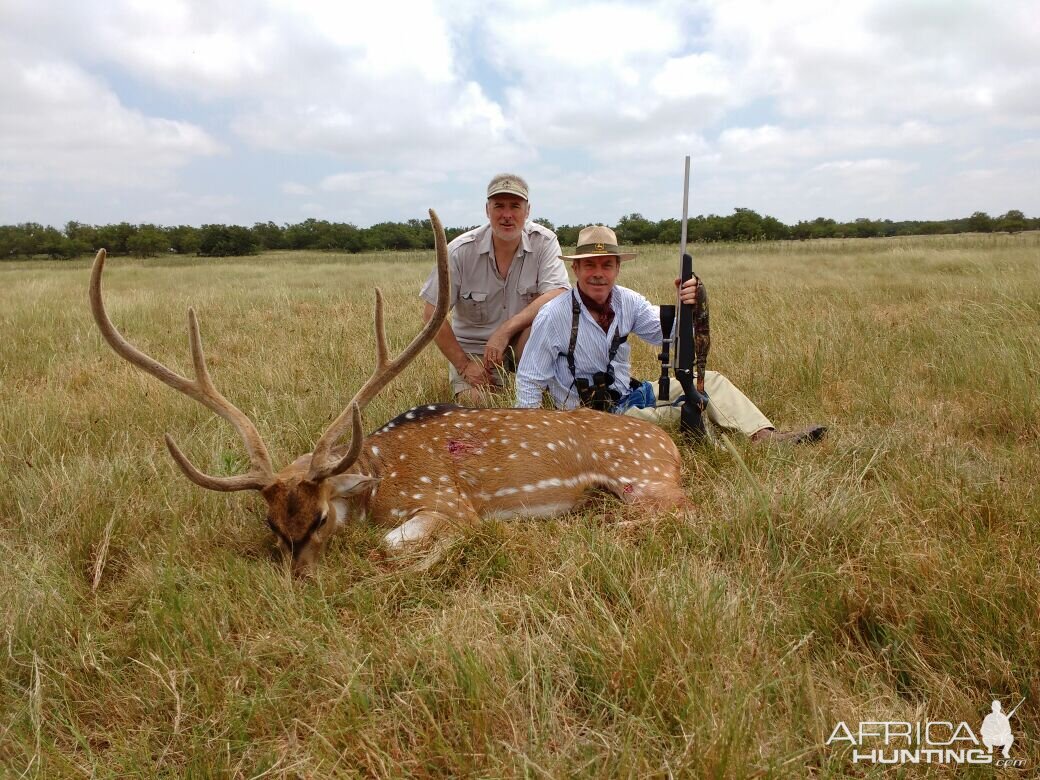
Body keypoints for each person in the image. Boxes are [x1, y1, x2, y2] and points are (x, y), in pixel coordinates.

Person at [515, 225, 826, 443]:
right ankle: (703, 427)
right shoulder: (553, 315)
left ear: (617, 269)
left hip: (628, 398)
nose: (599, 273)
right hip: (587, 419)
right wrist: (531, 440)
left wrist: (689, 304)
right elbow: (529, 380)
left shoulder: (629, 302)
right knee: (672, 415)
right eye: (590, 265)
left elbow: (672, 335)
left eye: (607, 265)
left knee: (712, 381)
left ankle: (764, 436)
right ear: (576, 270)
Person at [420, 173, 570, 404]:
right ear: (487, 209)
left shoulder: (545, 241)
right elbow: (431, 314)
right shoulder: (459, 251)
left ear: (527, 210)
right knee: (480, 404)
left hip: (525, 344)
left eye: (515, 206)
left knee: (560, 400)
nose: (507, 215)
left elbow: (558, 292)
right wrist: (464, 365)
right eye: (499, 206)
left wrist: (505, 330)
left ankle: (542, 383)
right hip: (476, 352)